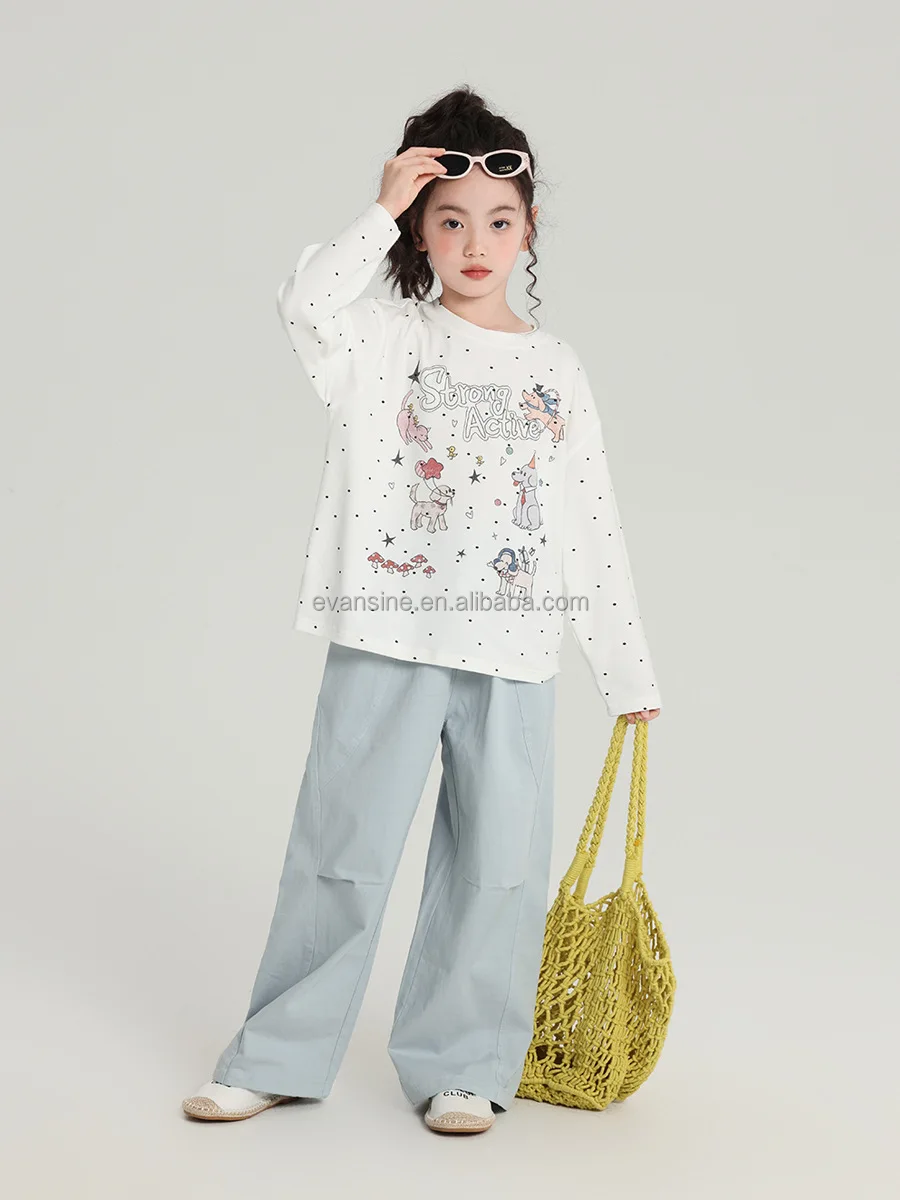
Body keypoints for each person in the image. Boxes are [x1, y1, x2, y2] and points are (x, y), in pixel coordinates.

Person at [182, 85, 662, 1135]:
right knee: (340, 849)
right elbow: (304, 304)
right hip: (385, 628)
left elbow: (588, 519)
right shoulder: (381, 340)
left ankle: (464, 1066)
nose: (475, 244)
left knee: (498, 866)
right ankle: (278, 1053)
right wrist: (381, 205)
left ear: (528, 228)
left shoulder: (555, 368)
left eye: (498, 221)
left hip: (515, 645)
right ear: (419, 231)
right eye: (449, 220)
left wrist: (625, 667)